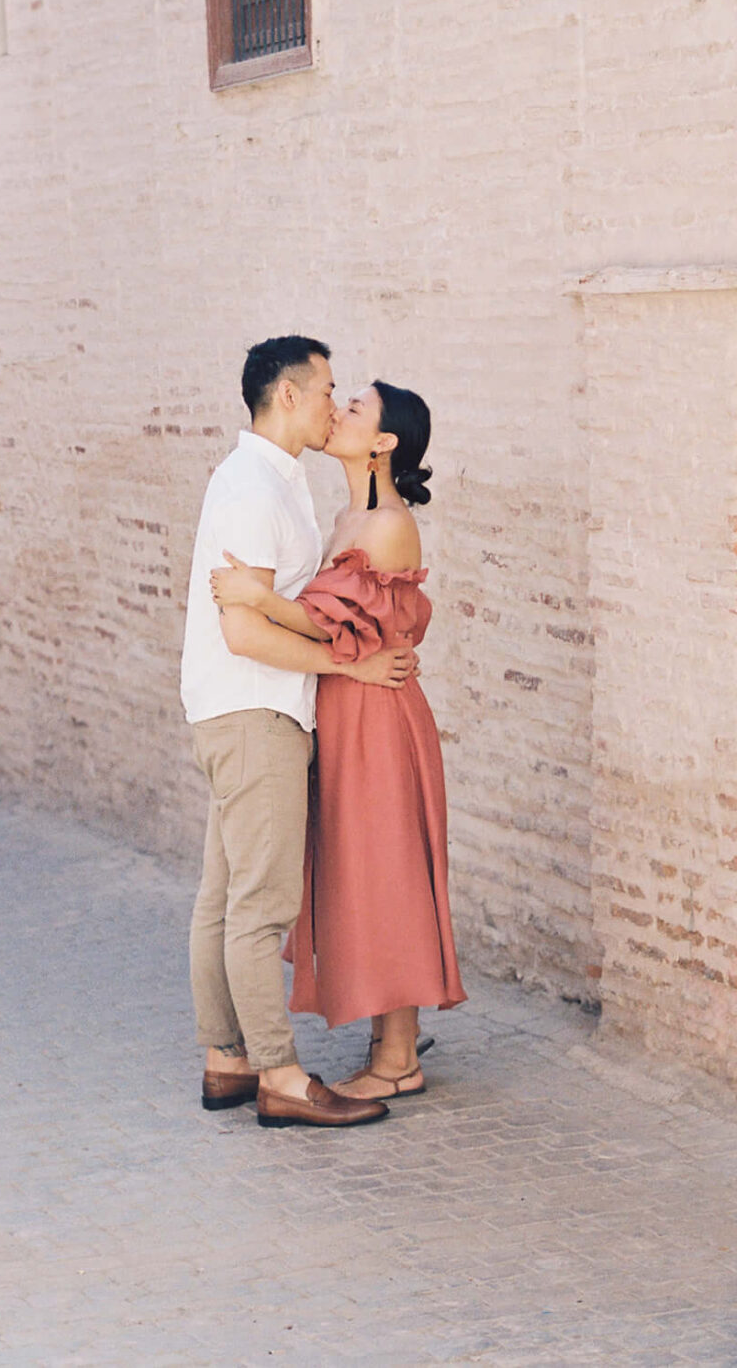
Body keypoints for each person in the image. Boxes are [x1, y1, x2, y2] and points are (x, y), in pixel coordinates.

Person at [181, 336, 416, 1131]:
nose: (332, 404)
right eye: (326, 390)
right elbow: (244, 633)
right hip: (257, 710)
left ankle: (228, 1060)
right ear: (288, 396)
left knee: (222, 898)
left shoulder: (275, 484)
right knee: (261, 905)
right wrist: (347, 668)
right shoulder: (253, 487)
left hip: (237, 710)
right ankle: (280, 1075)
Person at [211, 378, 464, 1101]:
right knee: (363, 871)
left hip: (378, 718)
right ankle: (389, 1045)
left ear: (383, 443)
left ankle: (398, 1060)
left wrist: (260, 601)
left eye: (355, 409)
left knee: (387, 873)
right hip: (351, 708)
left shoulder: (387, 522)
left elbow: (335, 625)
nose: (339, 412)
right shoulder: (350, 516)